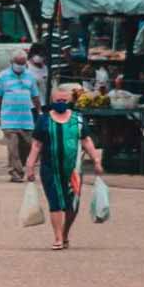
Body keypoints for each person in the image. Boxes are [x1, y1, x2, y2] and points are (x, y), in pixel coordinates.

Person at [26, 86, 104, 250]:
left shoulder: (78, 119)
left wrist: (96, 160)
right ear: (52, 101)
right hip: (49, 169)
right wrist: (30, 166)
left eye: (64, 101)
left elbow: (86, 141)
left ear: (70, 101)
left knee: (71, 205)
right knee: (54, 202)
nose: (61, 103)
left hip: (73, 171)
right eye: (57, 101)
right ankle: (58, 237)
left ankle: (65, 233)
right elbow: (36, 144)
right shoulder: (44, 120)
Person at [0, 50, 41, 182]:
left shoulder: (29, 76)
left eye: (22, 63)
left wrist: (40, 111)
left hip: (26, 118)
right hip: (8, 118)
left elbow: (35, 95)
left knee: (27, 146)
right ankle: (16, 173)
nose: (20, 66)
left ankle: (21, 168)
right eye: (18, 63)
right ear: (12, 63)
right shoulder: (3, 76)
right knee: (13, 148)